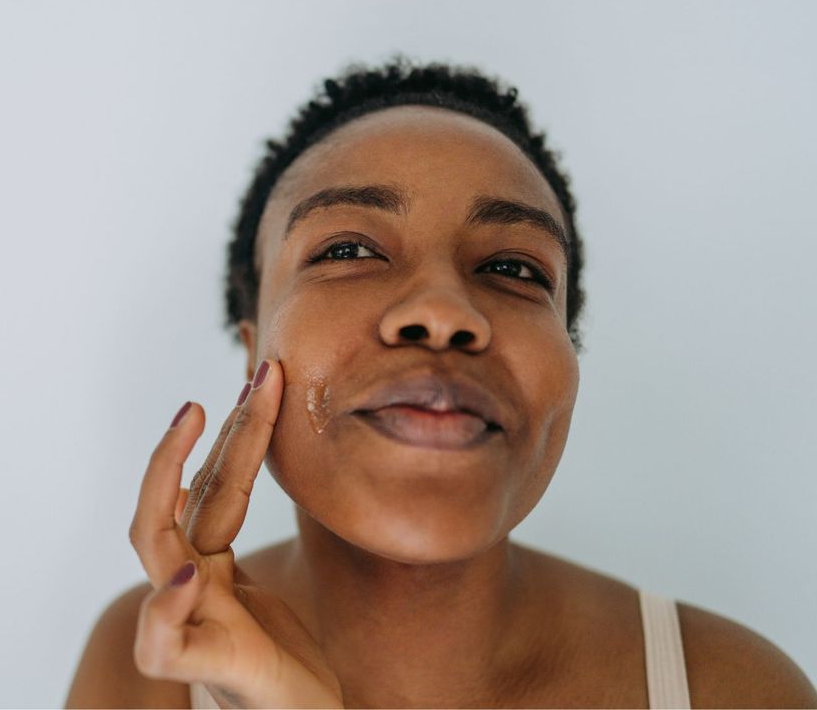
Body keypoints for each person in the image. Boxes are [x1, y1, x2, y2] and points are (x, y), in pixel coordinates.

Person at [64, 57, 817, 708]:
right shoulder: (146, 672)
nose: (442, 312)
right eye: (350, 248)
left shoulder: (734, 688)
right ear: (254, 348)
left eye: (514, 270)